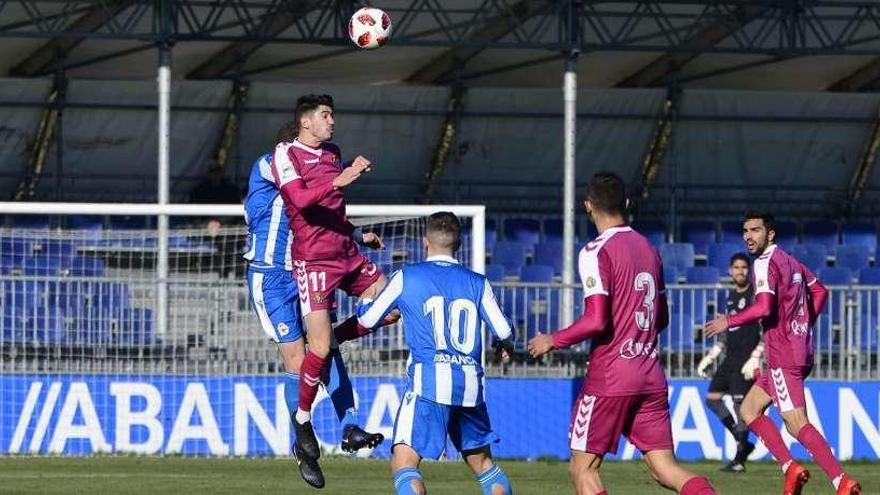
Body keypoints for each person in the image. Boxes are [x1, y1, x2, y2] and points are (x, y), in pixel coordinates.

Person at [528, 173, 716, 495]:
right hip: (650, 374)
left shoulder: (595, 251)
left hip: (611, 376)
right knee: (665, 469)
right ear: (626, 204)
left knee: (582, 467)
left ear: (588, 206)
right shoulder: (649, 249)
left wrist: (552, 340)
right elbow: (663, 316)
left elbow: (597, 320)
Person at [244, 121, 383, 489]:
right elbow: (305, 195)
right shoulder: (269, 165)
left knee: (327, 352)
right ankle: (304, 443)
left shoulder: (306, 176)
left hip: (307, 268)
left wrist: (354, 233)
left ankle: (350, 426)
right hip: (271, 278)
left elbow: (320, 215)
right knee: (298, 359)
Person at [269, 94, 398, 480]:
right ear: (305, 122)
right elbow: (301, 202)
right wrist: (340, 179)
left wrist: (357, 233)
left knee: (391, 306)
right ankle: (303, 419)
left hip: (347, 254)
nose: (332, 122)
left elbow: (332, 211)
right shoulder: (284, 155)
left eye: (332, 115)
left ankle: (327, 339)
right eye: (326, 116)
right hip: (313, 262)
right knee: (321, 349)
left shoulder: (332, 153)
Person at [355, 211, 515, 495]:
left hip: (427, 385)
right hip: (469, 388)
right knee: (484, 465)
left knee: (404, 464)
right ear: (460, 243)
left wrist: (364, 302)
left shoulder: (406, 277)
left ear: (424, 241)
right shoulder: (478, 282)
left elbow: (367, 321)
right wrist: (504, 346)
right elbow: (504, 331)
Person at [705, 213, 861, 495]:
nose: (748, 236)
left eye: (755, 230)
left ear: (770, 234)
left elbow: (764, 307)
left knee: (796, 423)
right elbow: (820, 291)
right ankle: (790, 468)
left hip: (784, 354)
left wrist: (728, 321)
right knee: (749, 410)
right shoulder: (791, 261)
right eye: (745, 231)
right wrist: (803, 325)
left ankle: (841, 481)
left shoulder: (764, 264)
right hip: (799, 350)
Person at [696, 252, 762, 473]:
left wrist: (757, 355)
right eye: (736, 267)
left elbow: (766, 327)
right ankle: (742, 442)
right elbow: (726, 330)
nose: (740, 271)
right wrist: (712, 354)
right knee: (712, 399)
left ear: (749, 271)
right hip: (729, 358)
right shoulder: (730, 297)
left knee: (740, 408)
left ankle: (739, 461)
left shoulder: (755, 295)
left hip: (746, 358)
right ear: (730, 271)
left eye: (744, 267)